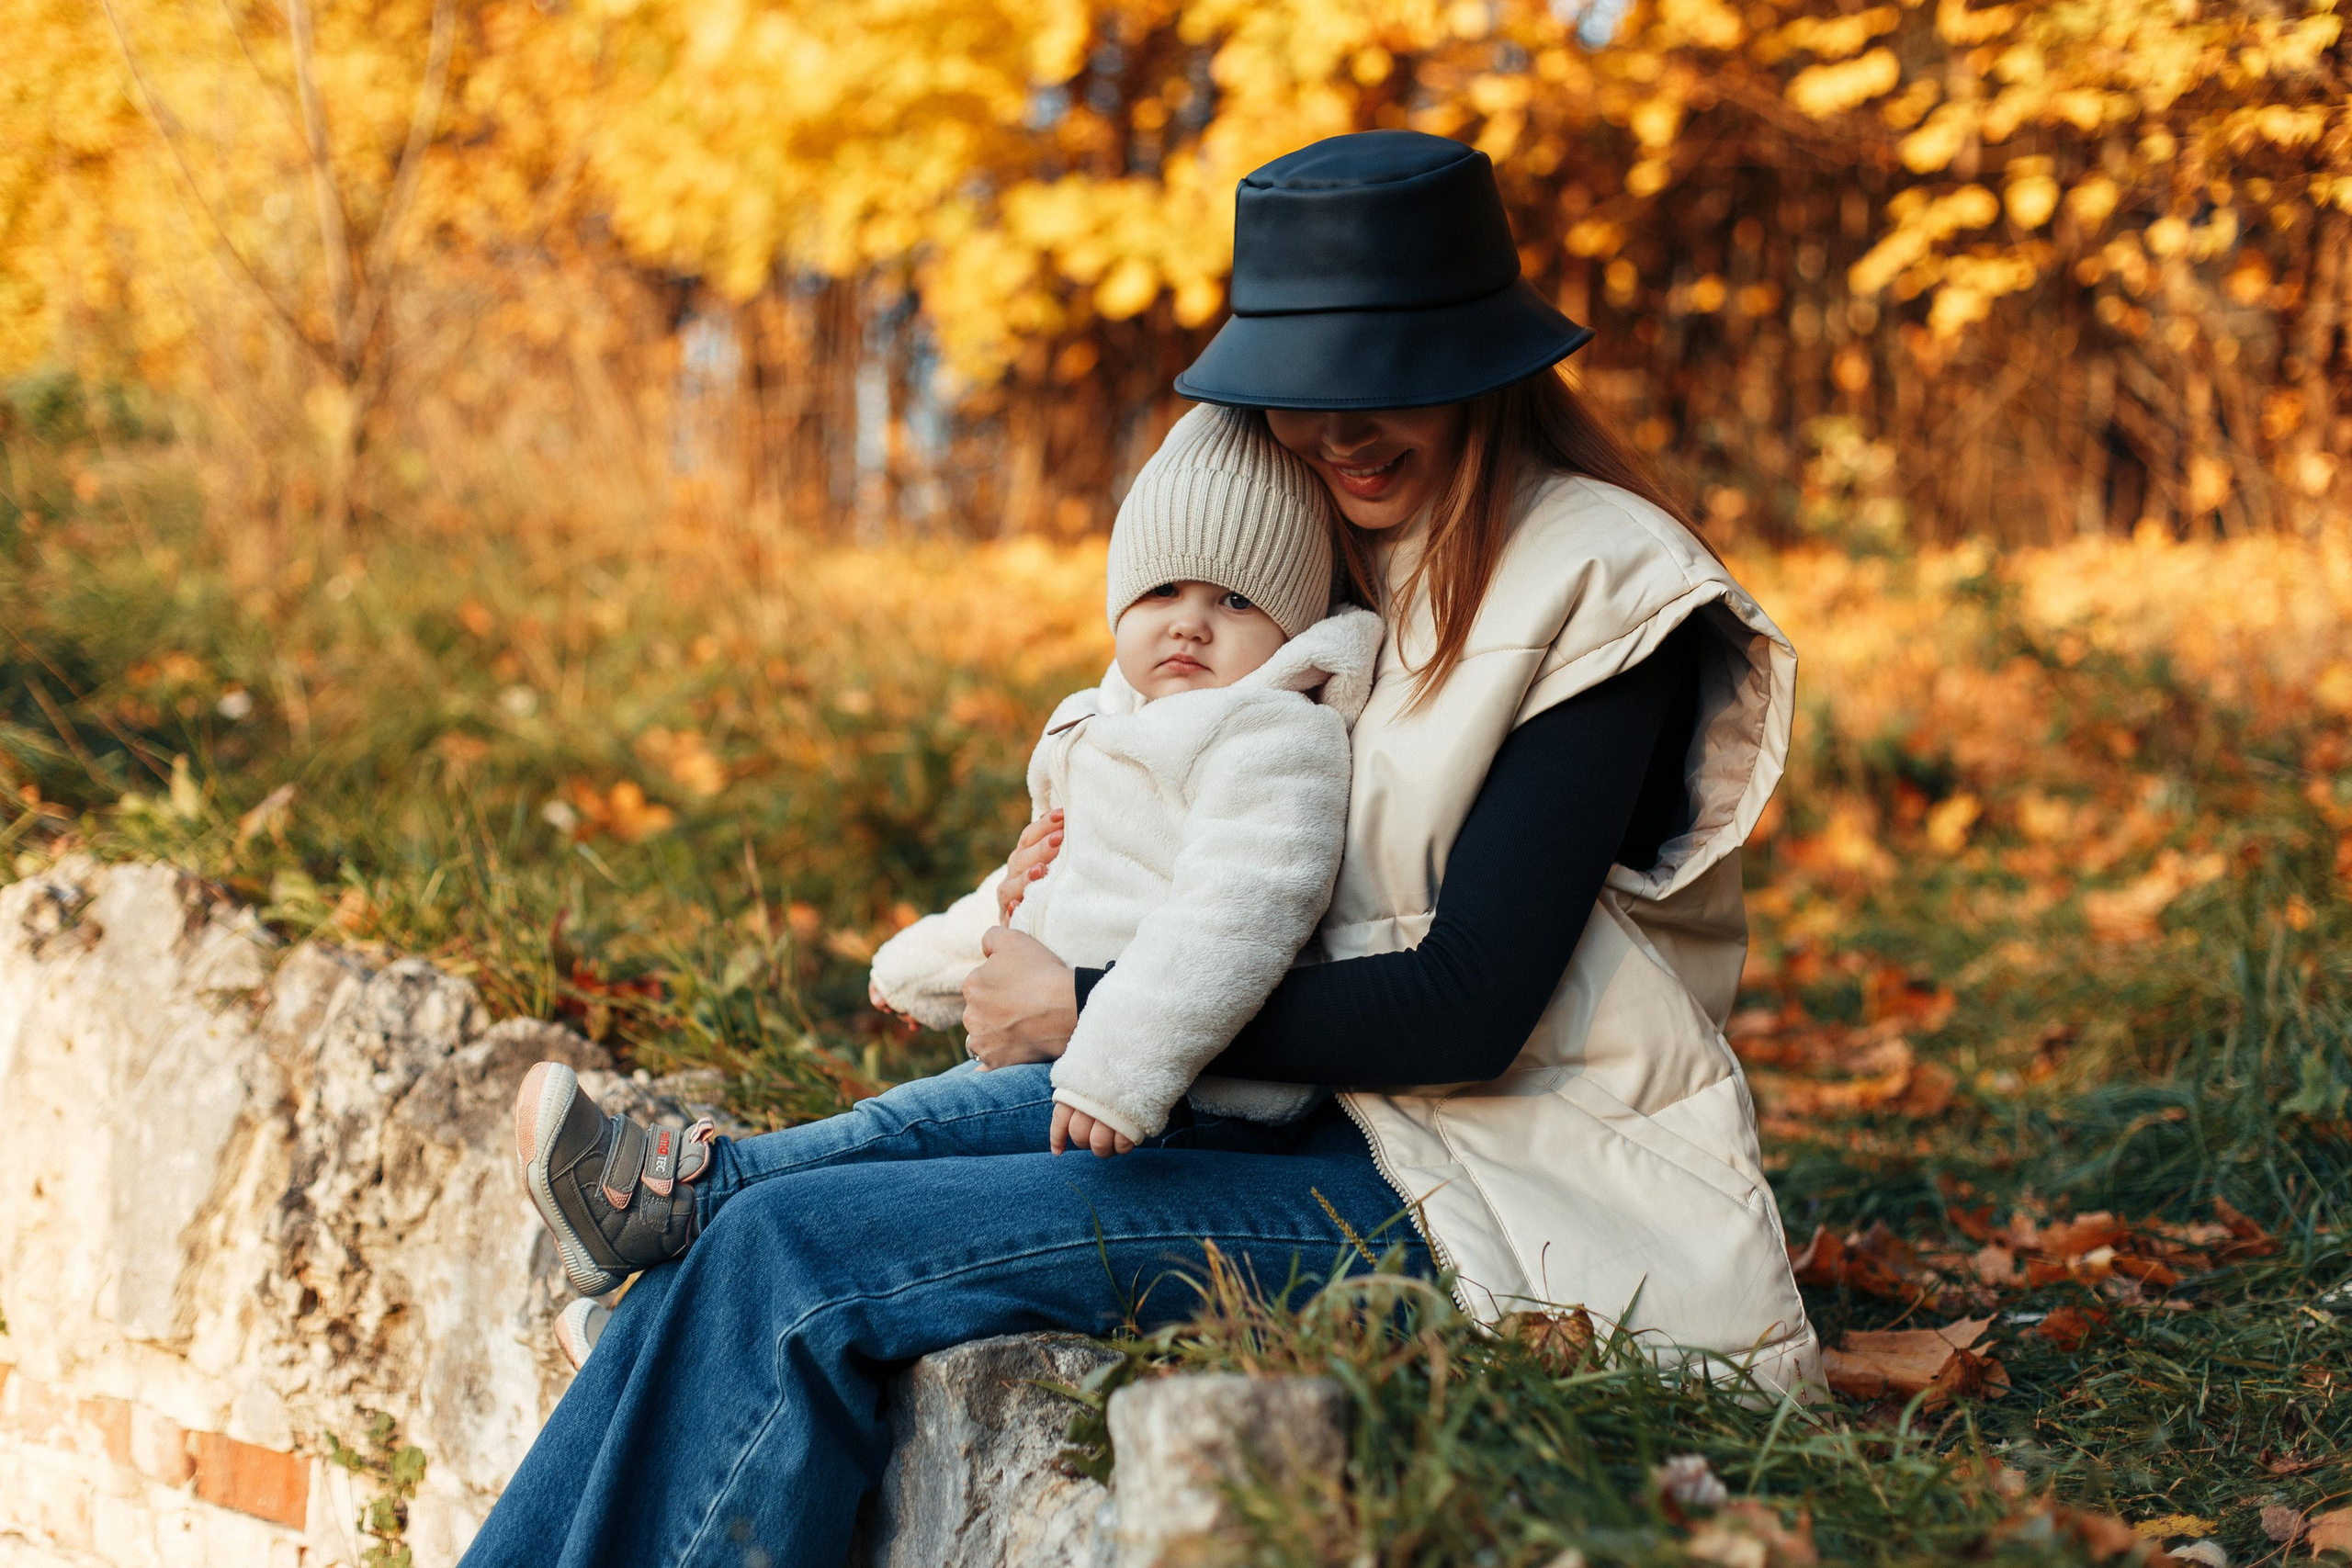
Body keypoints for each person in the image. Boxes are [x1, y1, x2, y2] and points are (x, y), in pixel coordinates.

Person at [461, 129, 1817, 1568]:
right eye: (1298, 392)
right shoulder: (1338, 540)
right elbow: (1211, 799)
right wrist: (1067, 849)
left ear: (1487, 361)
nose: (1337, 429)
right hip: (1284, 1117)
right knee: (748, 1233)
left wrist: (1092, 1003)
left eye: (1383, 382)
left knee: (794, 1259)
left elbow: (1470, 1005)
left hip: (1482, 1197)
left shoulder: (1603, 586)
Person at [520, 403, 1382, 1364]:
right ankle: (657, 1333)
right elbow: (1033, 885)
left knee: (906, 1129)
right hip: (1073, 1066)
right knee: (913, 1133)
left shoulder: (1272, 739)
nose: (1189, 621)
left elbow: (1240, 913)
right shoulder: (1100, 723)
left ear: (1294, 624)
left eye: (1235, 602)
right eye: (1164, 589)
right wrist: (925, 965)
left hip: (1182, 1088)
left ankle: (690, 1195)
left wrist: (1120, 1066)